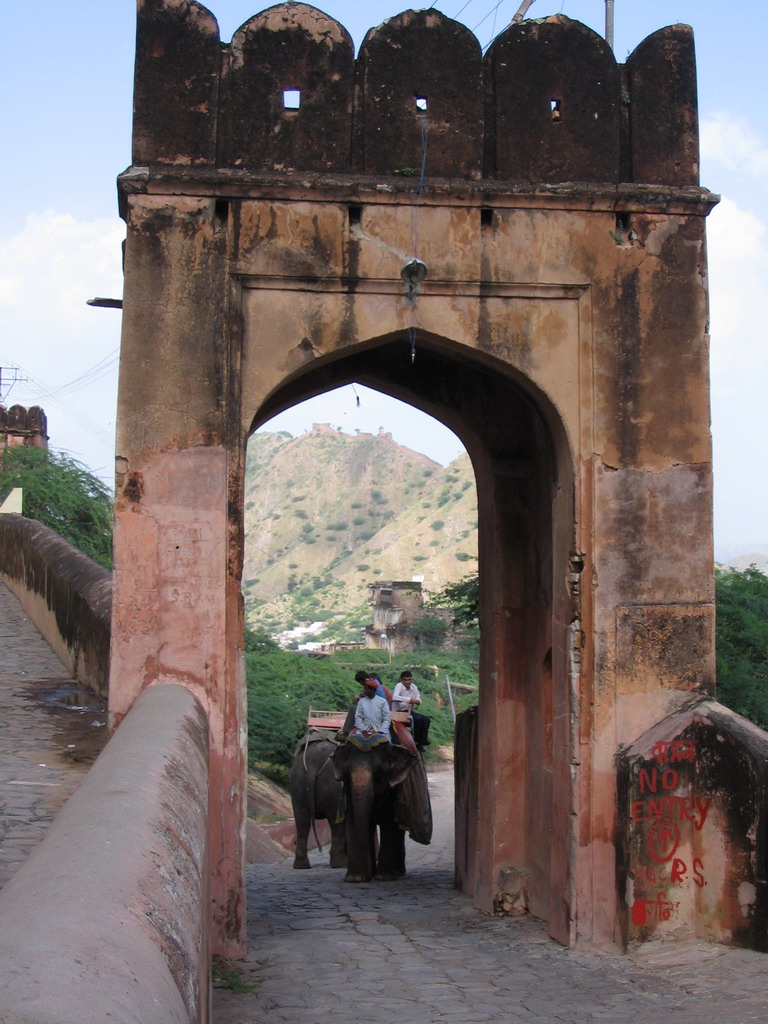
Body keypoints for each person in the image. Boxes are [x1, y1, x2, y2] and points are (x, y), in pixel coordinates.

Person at [392, 670, 431, 751]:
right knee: (418, 719)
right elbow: (395, 697)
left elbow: (418, 697)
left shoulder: (413, 687)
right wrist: (409, 700)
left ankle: (422, 741)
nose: (407, 682)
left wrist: (417, 701)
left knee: (426, 719)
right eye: (405, 680)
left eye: (409, 680)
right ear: (401, 680)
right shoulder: (399, 686)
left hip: (409, 711)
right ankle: (416, 740)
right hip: (399, 712)